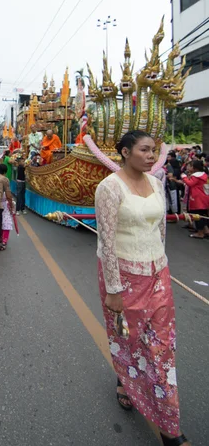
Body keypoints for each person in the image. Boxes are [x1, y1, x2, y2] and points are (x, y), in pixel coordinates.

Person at [95, 130, 190, 446]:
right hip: (123, 278)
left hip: (158, 275)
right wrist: (113, 289)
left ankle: (170, 430)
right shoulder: (109, 188)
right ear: (124, 152)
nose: (152, 156)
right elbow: (107, 242)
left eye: (154, 151)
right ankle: (124, 380)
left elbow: (160, 230)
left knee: (161, 350)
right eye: (145, 150)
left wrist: (162, 266)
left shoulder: (157, 183)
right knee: (127, 341)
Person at [179, 159, 209, 239]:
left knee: (198, 216)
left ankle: (200, 233)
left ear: (195, 168)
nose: (189, 167)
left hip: (197, 198)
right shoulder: (204, 175)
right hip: (204, 198)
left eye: (191, 166)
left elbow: (190, 184)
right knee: (203, 216)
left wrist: (184, 177)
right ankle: (206, 231)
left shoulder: (196, 176)